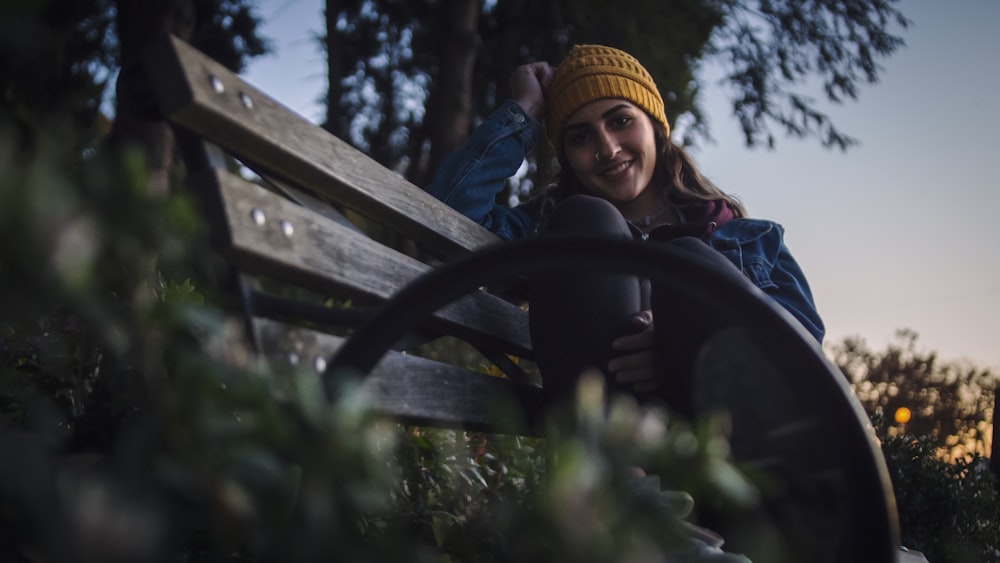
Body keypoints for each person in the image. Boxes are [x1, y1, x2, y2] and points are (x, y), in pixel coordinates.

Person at [426, 44, 824, 419]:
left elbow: (803, 358)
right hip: (607, 449)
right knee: (588, 222)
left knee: (688, 261)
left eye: (620, 121)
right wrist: (526, 110)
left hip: (722, 444)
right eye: (580, 137)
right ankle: (619, 480)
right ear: (568, 159)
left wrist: (674, 341)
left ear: (654, 127)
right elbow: (445, 217)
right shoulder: (550, 229)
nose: (608, 148)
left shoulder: (749, 239)